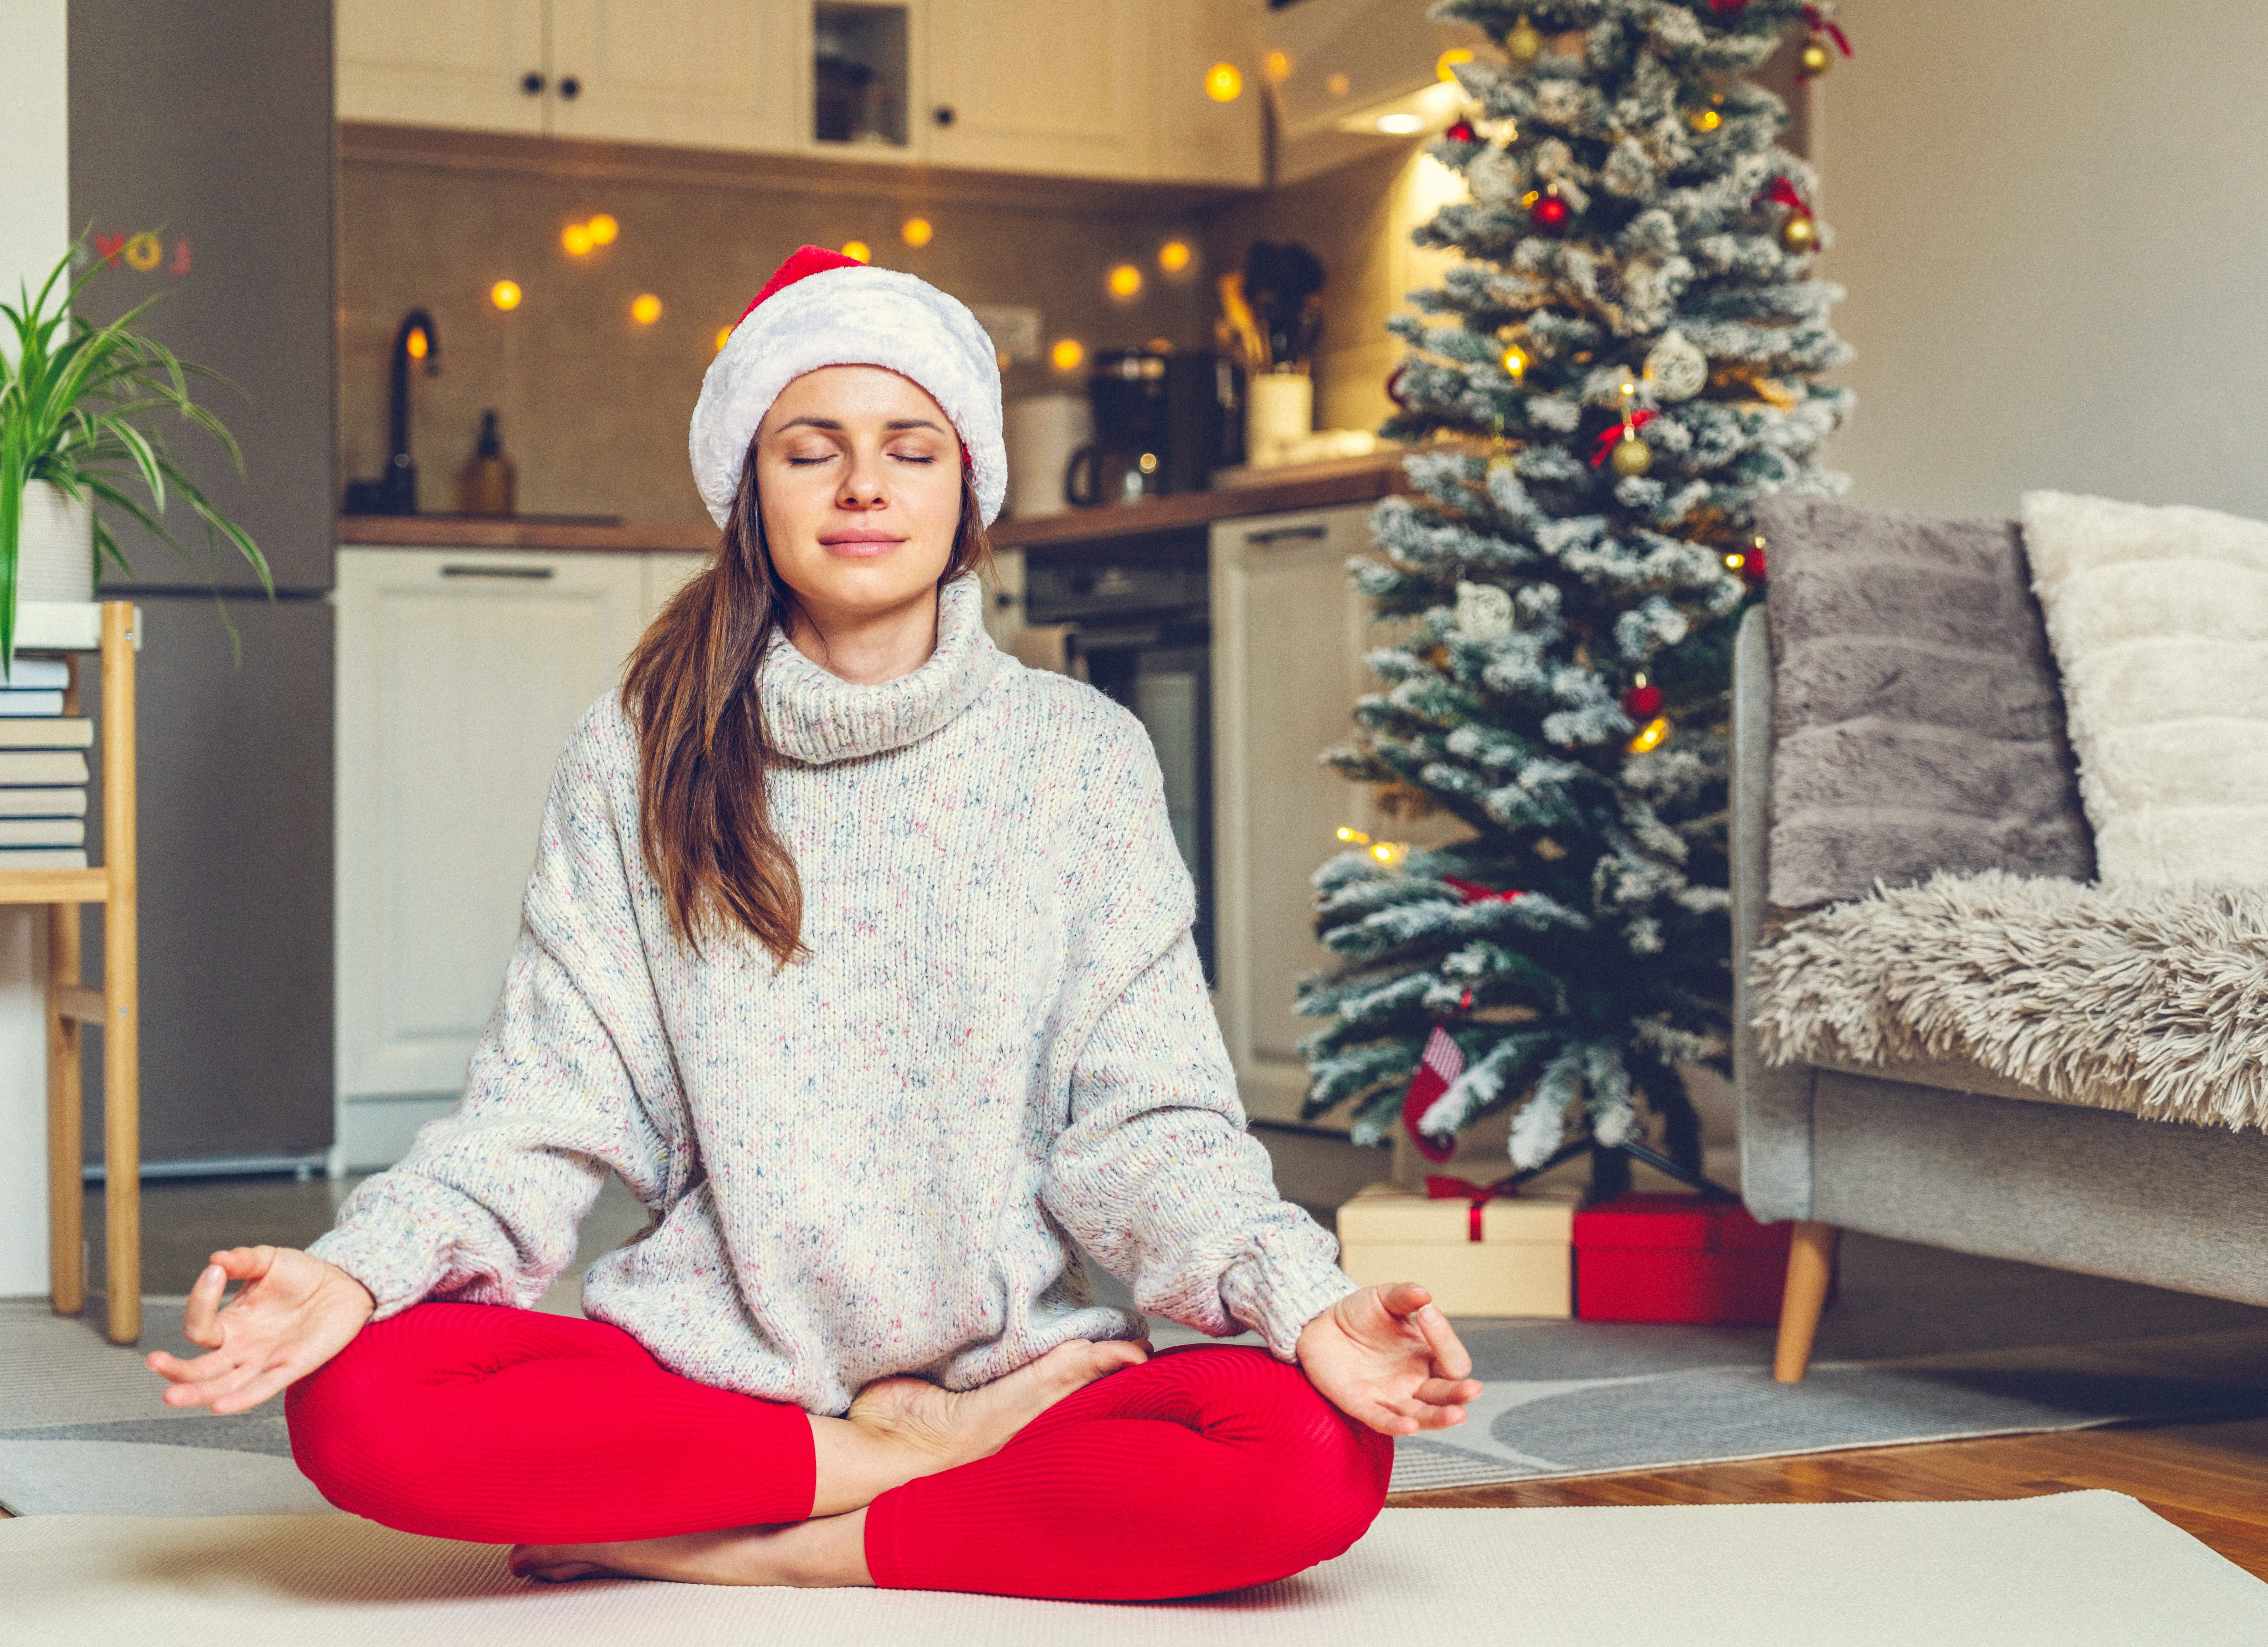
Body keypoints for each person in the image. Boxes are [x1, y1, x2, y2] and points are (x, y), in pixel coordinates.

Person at [147, 247, 1481, 1600]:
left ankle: (777, 1545)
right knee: (360, 1401)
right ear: (750, 490)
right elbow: (538, 1113)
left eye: (910, 448)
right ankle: (894, 1467)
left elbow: (1150, 1125)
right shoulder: (636, 750)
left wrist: (1299, 1297)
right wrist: (357, 1271)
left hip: (1009, 1374)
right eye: (811, 450)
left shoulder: (1081, 757)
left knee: (1309, 1451)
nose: (863, 487)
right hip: (710, 1377)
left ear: (965, 487)